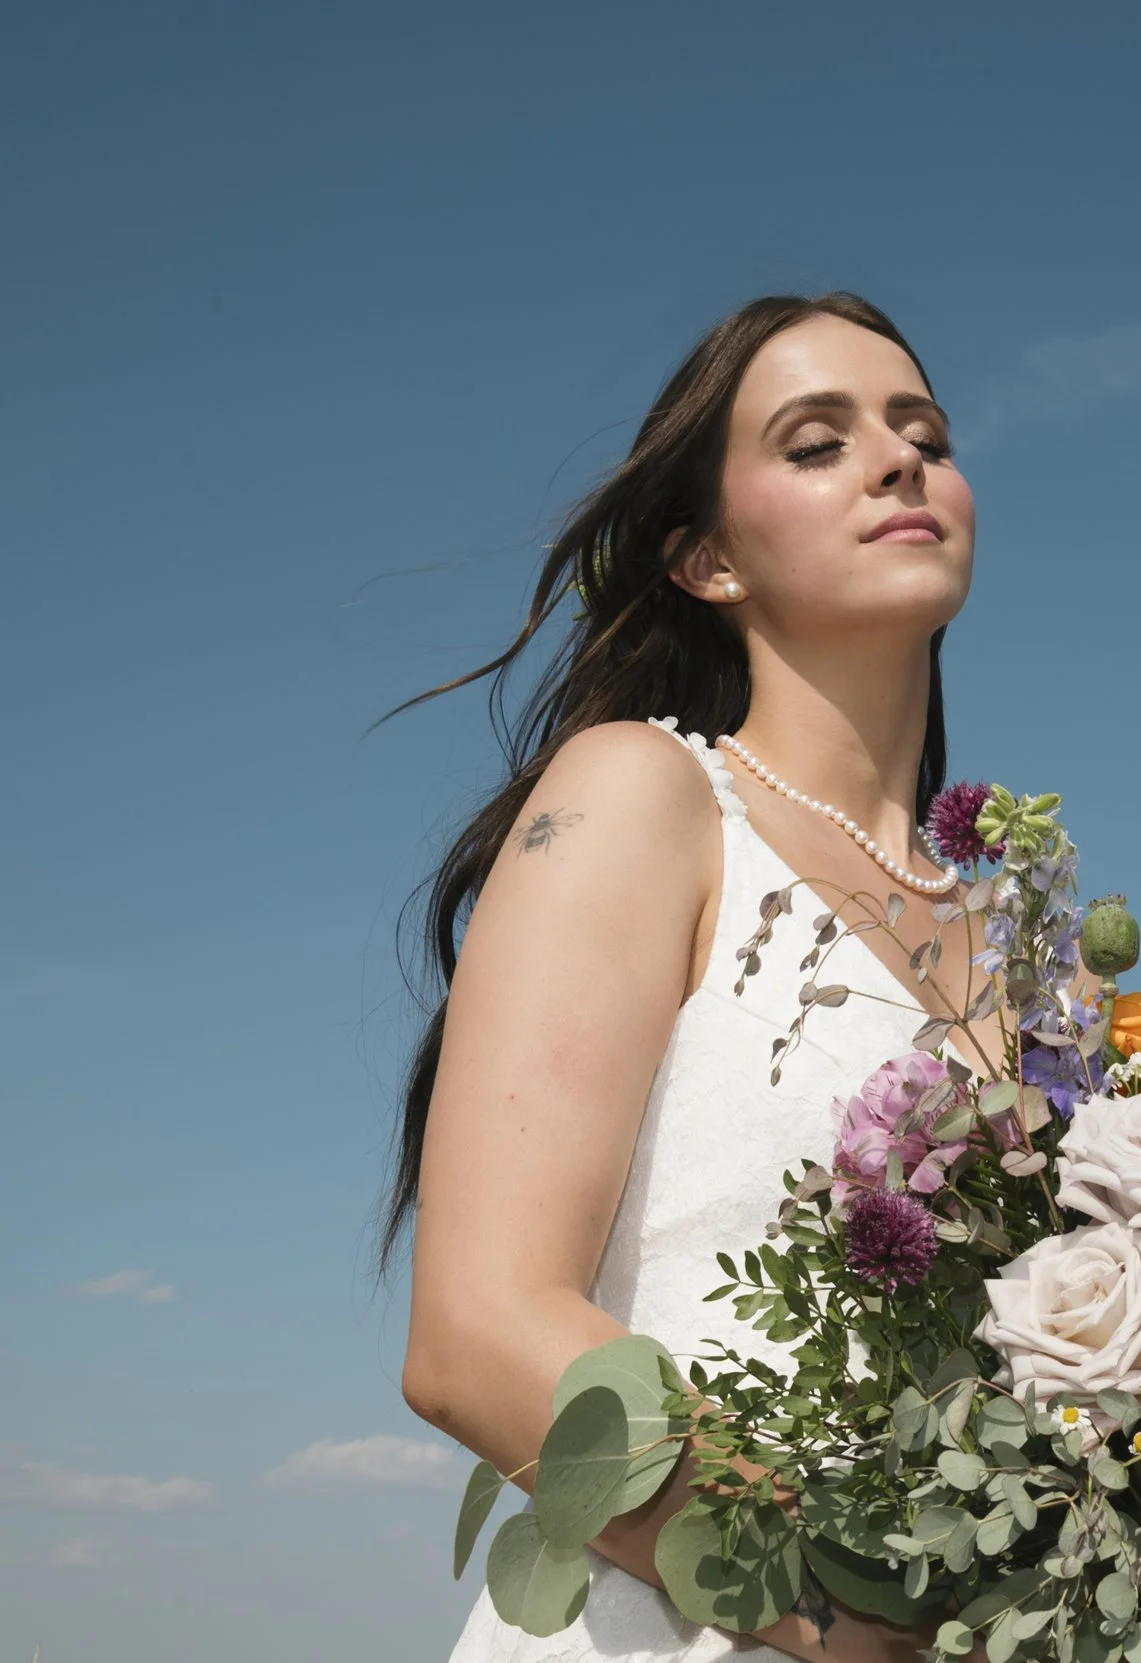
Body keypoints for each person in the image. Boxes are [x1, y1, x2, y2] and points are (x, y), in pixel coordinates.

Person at [388, 293, 995, 1661]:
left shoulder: (1040, 958)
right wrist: (857, 1621)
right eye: (816, 441)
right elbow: (478, 1329)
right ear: (709, 556)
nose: (901, 461)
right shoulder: (641, 794)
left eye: (924, 432)